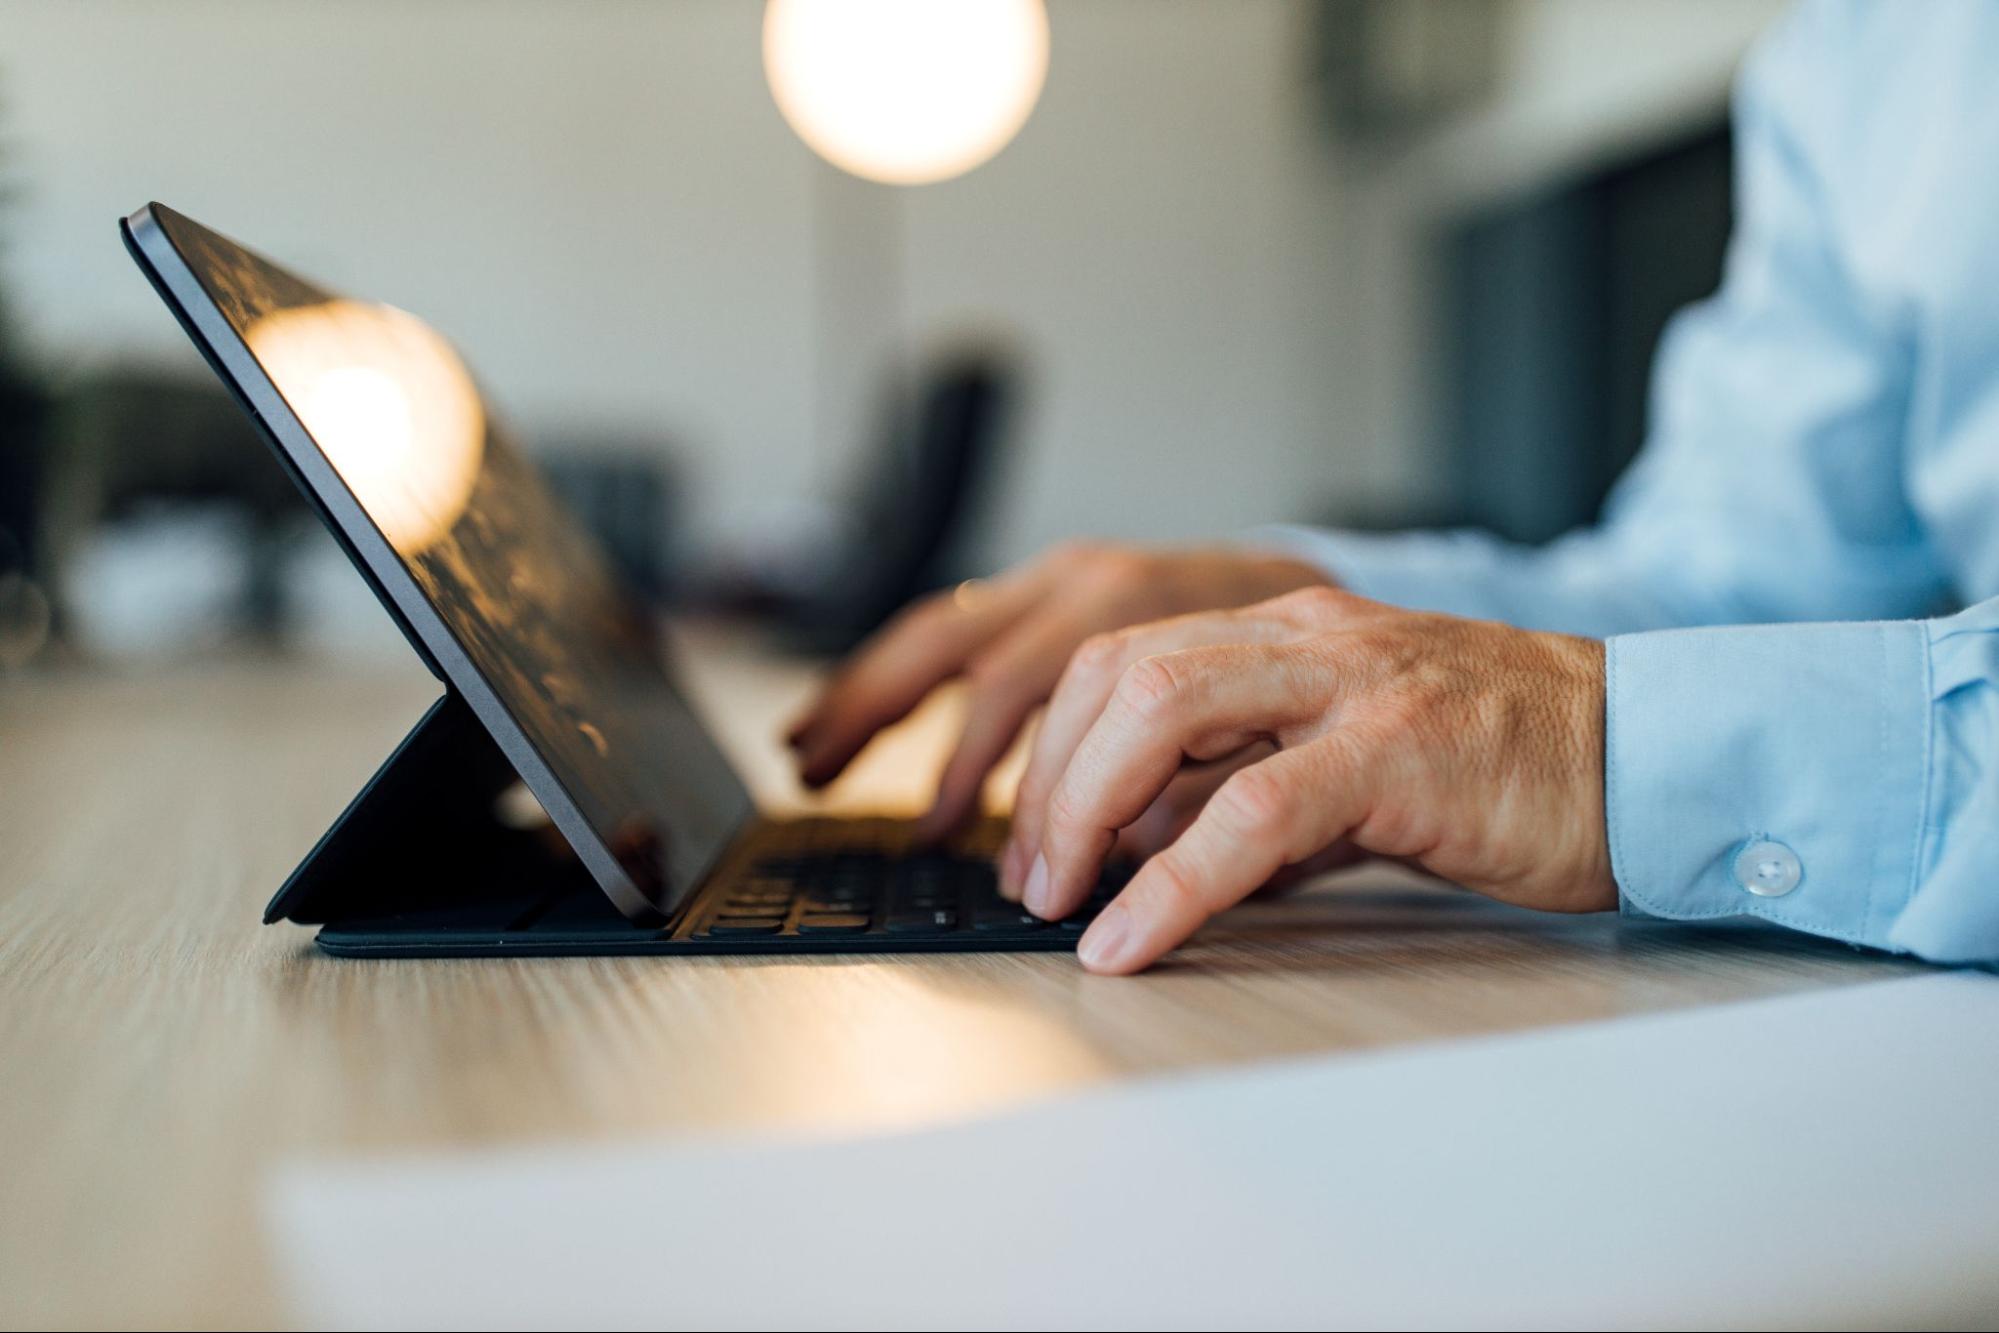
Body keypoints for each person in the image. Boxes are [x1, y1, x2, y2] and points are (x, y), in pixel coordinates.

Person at [787, 0, 1999, 975]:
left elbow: (1646, 710)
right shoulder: (1862, 45)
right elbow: (1737, 585)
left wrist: (1601, 749)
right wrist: (1305, 605)